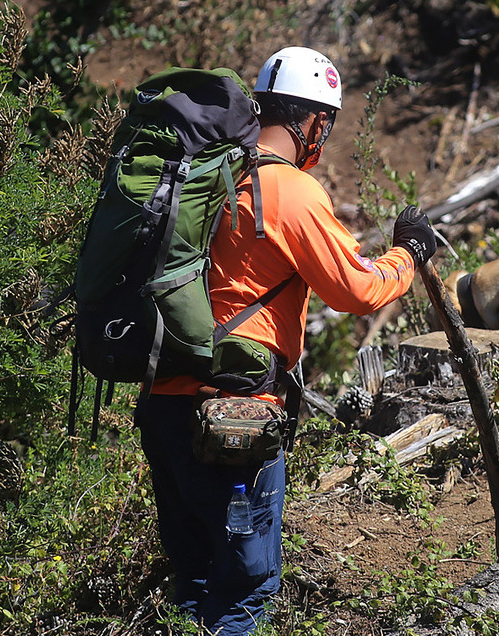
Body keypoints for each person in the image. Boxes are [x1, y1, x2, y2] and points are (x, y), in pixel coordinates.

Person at [133, 46, 437, 635]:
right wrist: (409, 255)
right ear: (315, 122)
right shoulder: (289, 191)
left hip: (163, 406)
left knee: (193, 584)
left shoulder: (202, 175)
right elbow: (357, 290)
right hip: (233, 418)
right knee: (244, 592)